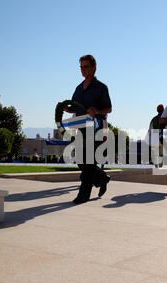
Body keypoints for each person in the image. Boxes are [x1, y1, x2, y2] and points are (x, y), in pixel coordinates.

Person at [59, 55, 112, 204]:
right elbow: (74, 107)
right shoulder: (78, 88)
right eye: (81, 67)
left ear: (94, 67)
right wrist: (65, 108)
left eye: (86, 66)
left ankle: (83, 195)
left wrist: (97, 110)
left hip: (97, 129)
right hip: (81, 128)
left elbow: (109, 108)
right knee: (81, 160)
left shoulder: (101, 87)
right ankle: (102, 178)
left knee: (88, 162)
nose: (83, 70)